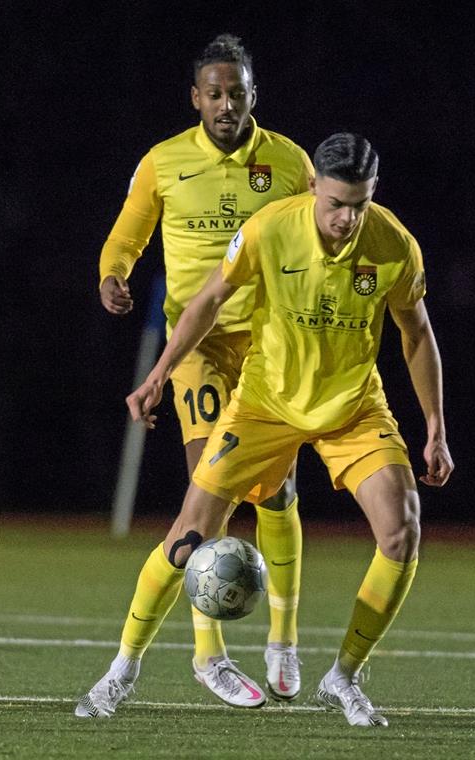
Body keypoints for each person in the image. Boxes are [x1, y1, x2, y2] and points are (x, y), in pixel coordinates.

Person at [77, 132, 453, 727]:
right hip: (265, 403)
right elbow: (208, 299)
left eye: (358, 203)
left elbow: (416, 333)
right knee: (187, 537)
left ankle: (343, 677)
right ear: (313, 190)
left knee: (402, 531)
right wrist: (158, 375)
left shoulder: (394, 245)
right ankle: (122, 670)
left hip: (353, 407)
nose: (346, 218)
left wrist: (435, 427)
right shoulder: (269, 228)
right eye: (335, 203)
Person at [92, 33, 313, 710]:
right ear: (196, 97)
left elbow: (320, 239)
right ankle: (207, 655)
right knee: (205, 492)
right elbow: (128, 232)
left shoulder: (287, 162)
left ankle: (283, 638)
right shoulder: (164, 161)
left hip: (271, 349)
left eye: (237, 94)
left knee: (275, 495)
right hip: (198, 346)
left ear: (253, 96)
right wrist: (112, 273)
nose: (225, 105)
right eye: (214, 94)